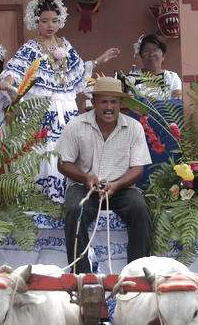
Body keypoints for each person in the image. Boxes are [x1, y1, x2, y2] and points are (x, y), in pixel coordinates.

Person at [2, 0, 120, 201]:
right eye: (45, 21)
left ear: (60, 21)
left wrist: (99, 60)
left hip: (66, 108)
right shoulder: (31, 48)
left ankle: (69, 200)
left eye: (54, 20)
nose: (50, 25)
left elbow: (80, 71)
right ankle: (40, 201)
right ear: (35, 22)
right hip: (42, 107)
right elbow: (16, 69)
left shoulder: (65, 46)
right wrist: (7, 82)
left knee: (67, 149)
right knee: (42, 150)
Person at [56, 76, 153, 275]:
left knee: (139, 208)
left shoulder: (133, 127)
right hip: (84, 186)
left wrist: (117, 185)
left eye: (114, 102)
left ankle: (136, 274)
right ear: (94, 102)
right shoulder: (75, 126)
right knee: (76, 209)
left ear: (121, 104)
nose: (109, 107)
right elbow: (63, 163)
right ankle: (82, 278)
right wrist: (85, 177)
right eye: (103, 101)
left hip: (121, 187)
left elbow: (137, 169)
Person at [128, 33, 182, 99]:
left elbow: (177, 102)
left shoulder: (172, 77)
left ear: (163, 56)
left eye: (155, 50)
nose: (151, 54)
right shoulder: (133, 77)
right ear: (141, 56)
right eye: (146, 51)